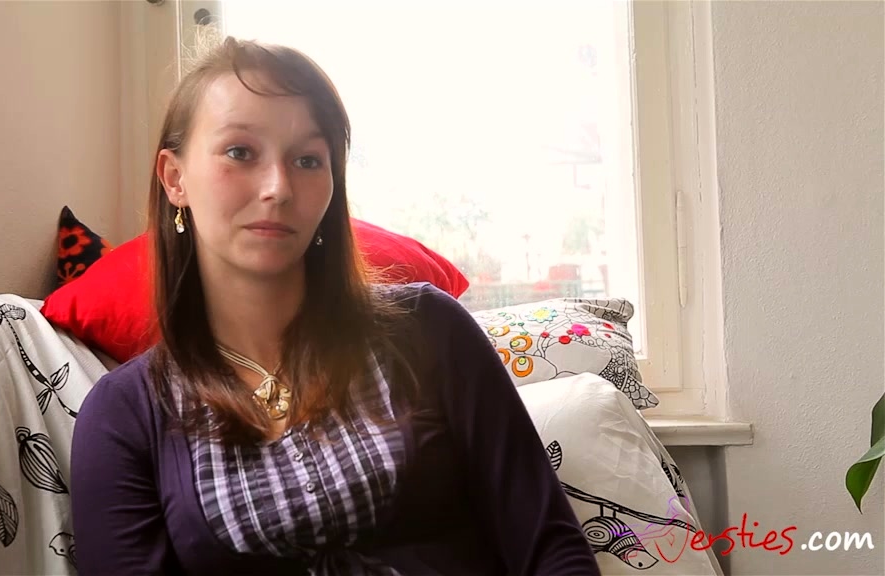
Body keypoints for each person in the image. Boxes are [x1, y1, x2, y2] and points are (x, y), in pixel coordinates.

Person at [69, 34, 600, 576]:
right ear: (174, 178)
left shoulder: (430, 329)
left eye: (307, 159)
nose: (278, 187)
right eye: (240, 152)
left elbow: (551, 548)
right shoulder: (122, 417)